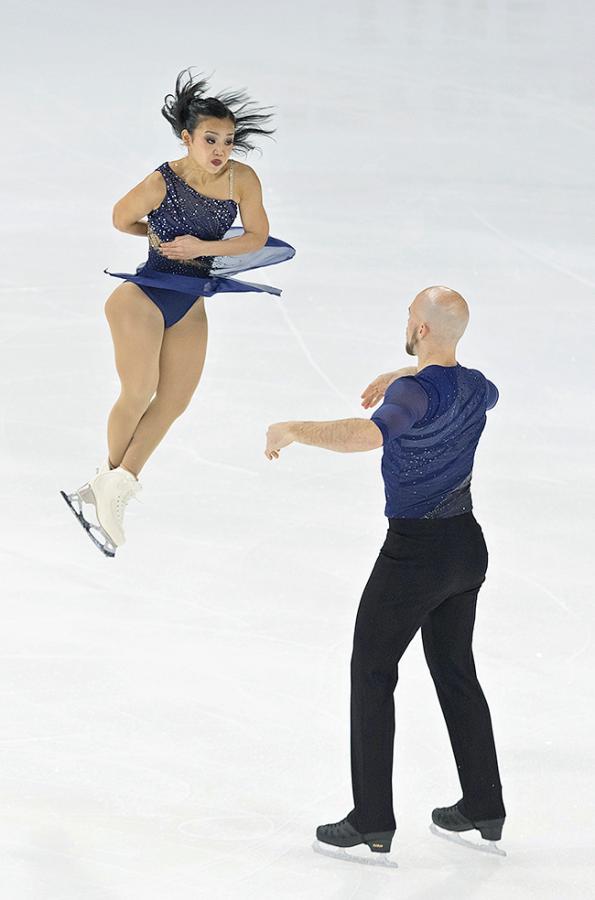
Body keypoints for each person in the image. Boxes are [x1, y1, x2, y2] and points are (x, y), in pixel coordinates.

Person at [265, 286, 506, 859]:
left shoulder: (410, 394)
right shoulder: (476, 387)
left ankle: (372, 816)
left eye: (410, 318)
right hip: (466, 550)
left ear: (422, 329)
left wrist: (294, 428)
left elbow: (370, 434)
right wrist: (408, 369)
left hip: (414, 554)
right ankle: (484, 804)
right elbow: (456, 383)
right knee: (454, 670)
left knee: (372, 672)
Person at [61, 68, 295, 557]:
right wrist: (158, 238)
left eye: (228, 141)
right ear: (187, 138)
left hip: (190, 301)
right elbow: (120, 217)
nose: (220, 150)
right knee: (139, 390)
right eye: (210, 139)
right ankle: (111, 486)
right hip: (143, 297)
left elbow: (255, 237)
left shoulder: (241, 179)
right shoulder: (161, 180)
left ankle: (105, 488)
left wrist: (201, 246)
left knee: (173, 402)